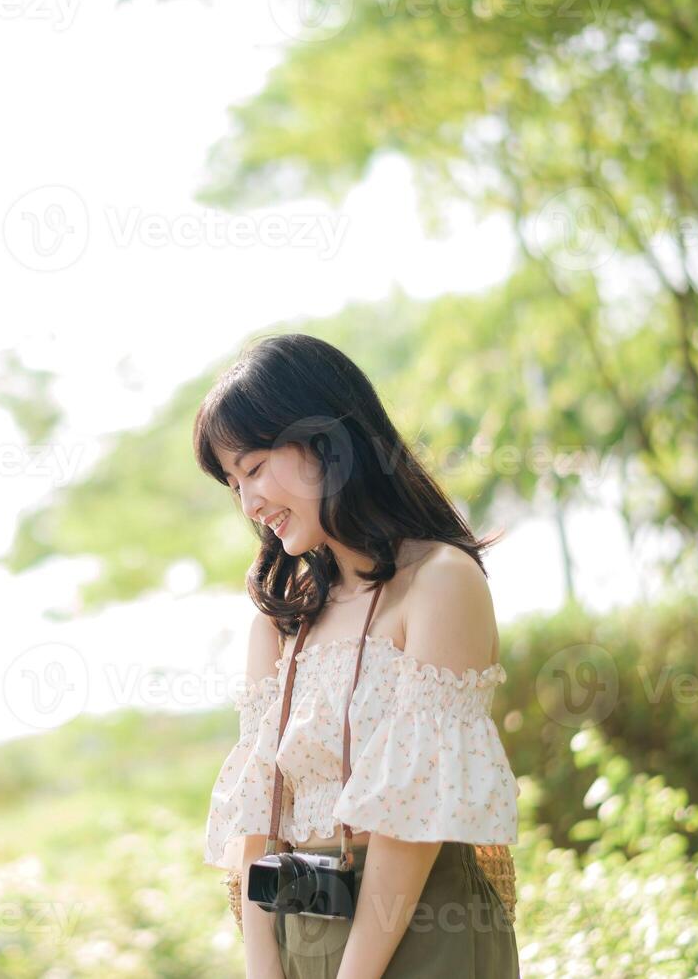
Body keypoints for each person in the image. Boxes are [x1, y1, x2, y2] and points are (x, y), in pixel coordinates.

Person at [194, 333, 521, 979]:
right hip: (297, 923)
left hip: (421, 930)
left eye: (255, 467)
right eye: (234, 484)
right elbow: (258, 814)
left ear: (328, 444)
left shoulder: (438, 582)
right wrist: (265, 970)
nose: (248, 503)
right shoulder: (282, 616)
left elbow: (414, 819)